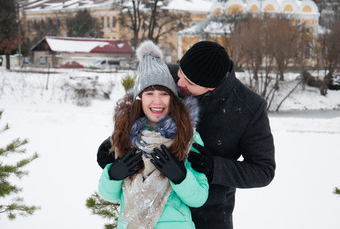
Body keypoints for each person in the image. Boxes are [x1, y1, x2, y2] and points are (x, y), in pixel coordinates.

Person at [98, 41, 276, 229]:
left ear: (211, 87)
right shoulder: (169, 76)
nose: (179, 82)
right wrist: (112, 150)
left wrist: (215, 167)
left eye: (189, 82)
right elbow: (138, 112)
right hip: (152, 210)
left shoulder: (249, 107)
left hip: (210, 212)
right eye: (181, 71)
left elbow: (263, 170)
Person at [98, 40, 209, 229]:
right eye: (149, 93)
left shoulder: (188, 136)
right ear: (139, 98)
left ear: (172, 98)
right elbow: (108, 196)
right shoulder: (124, 135)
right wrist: (114, 174)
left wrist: (180, 176)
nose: (157, 101)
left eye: (164, 93)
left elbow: (199, 199)